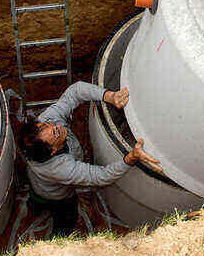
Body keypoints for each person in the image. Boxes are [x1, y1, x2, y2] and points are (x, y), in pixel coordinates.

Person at [18, 81, 161, 235]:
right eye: (56, 133)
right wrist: (131, 158)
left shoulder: (47, 122)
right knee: (65, 217)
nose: (57, 125)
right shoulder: (62, 169)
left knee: (36, 199)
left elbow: (76, 90)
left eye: (47, 125)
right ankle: (59, 232)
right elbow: (101, 176)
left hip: (38, 182)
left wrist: (109, 96)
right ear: (52, 151)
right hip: (57, 196)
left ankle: (35, 207)